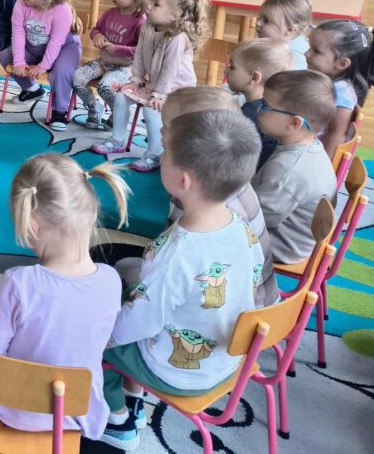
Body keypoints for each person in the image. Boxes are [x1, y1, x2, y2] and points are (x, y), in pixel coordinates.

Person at [100, 110, 263, 450]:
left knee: (89, 345)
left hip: (176, 372)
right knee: (130, 294)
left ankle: (118, 423)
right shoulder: (239, 224)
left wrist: (99, 335)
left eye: (164, 154)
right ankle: (134, 398)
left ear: (184, 181)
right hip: (225, 361)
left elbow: (139, 323)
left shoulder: (176, 253)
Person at [0, 154, 128, 439]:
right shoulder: (111, 280)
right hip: (75, 411)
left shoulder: (18, 282)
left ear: (32, 224)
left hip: (15, 406)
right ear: (92, 215)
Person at [161, 86, 279, 307]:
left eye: (168, 128)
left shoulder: (199, 207)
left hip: (229, 318)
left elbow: (171, 273)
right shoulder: (230, 180)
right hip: (252, 304)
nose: (160, 133)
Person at [93, 0, 208, 172]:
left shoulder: (177, 38)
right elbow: (139, 54)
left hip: (178, 89)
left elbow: (170, 69)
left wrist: (159, 95)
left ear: (174, 16)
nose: (148, 6)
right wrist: (136, 79)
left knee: (151, 110)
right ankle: (118, 139)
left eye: (156, 4)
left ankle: (154, 153)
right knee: (121, 96)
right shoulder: (147, 26)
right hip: (155, 84)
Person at [252, 70, 338, 265]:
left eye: (265, 105)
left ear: (293, 123)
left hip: (280, 247)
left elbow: (253, 219)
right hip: (291, 236)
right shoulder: (308, 146)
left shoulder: (287, 173)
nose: (259, 109)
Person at [0, 0, 81, 130]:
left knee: (61, 71)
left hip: (65, 48)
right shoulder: (21, 4)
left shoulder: (61, 10)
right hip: (35, 45)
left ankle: (60, 111)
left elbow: (56, 41)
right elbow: (18, 33)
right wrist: (19, 61)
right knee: (7, 57)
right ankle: (33, 89)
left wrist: (44, 66)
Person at [74, 0, 152, 130]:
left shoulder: (142, 21)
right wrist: (98, 35)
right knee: (76, 78)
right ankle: (94, 108)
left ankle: (119, 112)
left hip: (127, 68)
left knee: (104, 86)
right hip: (104, 62)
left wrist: (117, 49)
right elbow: (95, 30)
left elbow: (142, 51)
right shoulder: (110, 13)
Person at [305, 19, 372, 159]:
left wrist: (323, 167)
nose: (307, 53)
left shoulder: (341, 93)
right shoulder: (327, 79)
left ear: (342, 63)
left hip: (309, 154)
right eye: (309, 46)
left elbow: (336, 135)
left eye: (316, 51)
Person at [225, 38, 293, 169]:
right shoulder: (269, 108)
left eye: (232, 67)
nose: (226, 71)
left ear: (254, 78)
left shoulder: (250, 116)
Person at [256, 0, 311, 70]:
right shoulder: (278, 43)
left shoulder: (291, 57)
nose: (258, 23)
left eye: (266, 21)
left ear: (290, 30)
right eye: (259, 17)